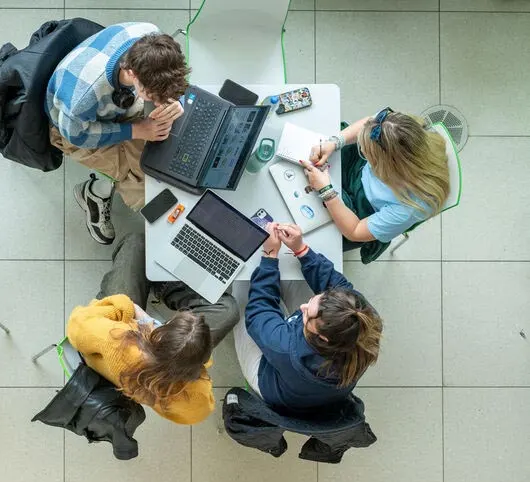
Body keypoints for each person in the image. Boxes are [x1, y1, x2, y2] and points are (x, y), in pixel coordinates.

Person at [66, 233, 239, 424]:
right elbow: (198, 411)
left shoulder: (114, 341)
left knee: (136, 241)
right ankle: (164, 285)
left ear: (158, 335)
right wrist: (191, 362)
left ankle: (157, 281)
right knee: (228, 309)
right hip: (143, 363)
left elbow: (76, 324)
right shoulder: (192, 396)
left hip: (120, 339)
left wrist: (128, 308)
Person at [46, 23, 190, 245]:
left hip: (114, 109)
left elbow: (165, 80)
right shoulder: (83, 97)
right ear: (131, 73)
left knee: (162, 155)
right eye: (154, 94)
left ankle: (106, 185)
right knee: (140, 181)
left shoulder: (150, 35)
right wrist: (136, 130)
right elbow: (77, 136)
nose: (159, 101)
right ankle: (93, 194)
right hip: (74, 130)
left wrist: (174, 101)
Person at [234, 222, 382, 413]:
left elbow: (258, 314)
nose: (303, 307)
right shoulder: (363, 318)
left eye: (308, 315)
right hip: (309, 383)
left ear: (323, 337)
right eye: (315, 300)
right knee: (287, 275)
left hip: (272, 383)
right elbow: (336, 285)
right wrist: (301, 250)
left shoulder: (289, 350)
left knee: (243, 287)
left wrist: (270, 256)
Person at [301, 108, 450, 262]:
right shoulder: (396, 128)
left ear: (386, 167)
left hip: (363, 210)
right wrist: (335, 142)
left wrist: (327, 192)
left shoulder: (409, 207)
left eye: (367, 153)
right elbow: (368, 125)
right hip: (358, 172)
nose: (362, 150)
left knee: (314, 235)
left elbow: (355, 231)